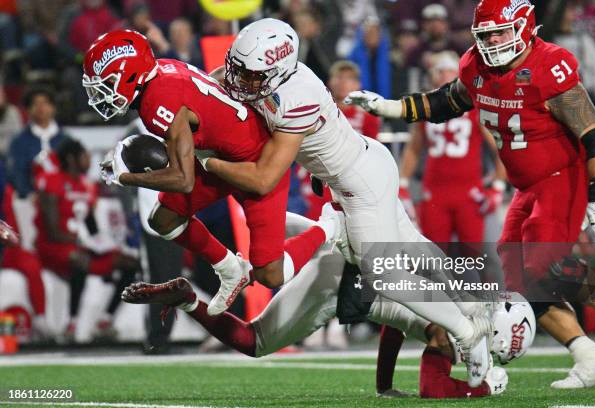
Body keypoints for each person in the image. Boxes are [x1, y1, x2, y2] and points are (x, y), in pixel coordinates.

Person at [205, 18, 493, 387]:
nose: (241, 80)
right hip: (365, 167)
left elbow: (264, 177)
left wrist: (205, 161)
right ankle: (471, 306)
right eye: (239, 69)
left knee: (386, 275)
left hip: (360, 186)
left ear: (278, 69)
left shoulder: (297, 96)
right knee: (412, 246)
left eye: (252, 74)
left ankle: (465, 333)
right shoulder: (273, 77)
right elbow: (218, 80)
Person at [345, 0, 595, 389]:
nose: (492, 41)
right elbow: (443, 103)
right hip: (526, 186)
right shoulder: (477, 66)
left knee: (539, 264)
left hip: (561, 177)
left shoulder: (549, 65)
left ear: (524, 26)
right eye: (485, 34)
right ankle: (589, 357)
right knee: (522, 280)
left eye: (500, 32)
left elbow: (594, 132)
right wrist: (387, 106)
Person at [123, 212, 531, 398]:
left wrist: (384, 385)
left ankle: (306, 226)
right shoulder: (459, 325)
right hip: (338, 282)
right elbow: (433, 387)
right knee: (253, 340)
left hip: (351, 247)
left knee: (267, 224)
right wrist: (477, 394)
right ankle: (190, 298)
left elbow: (402, 324)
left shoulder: (461, 293)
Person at [82, 29, 340, 317]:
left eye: (107, 84)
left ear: (130, 75)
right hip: (220, 155)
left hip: (254, 162)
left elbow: (183, 179)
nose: (101, 93)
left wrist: (125, 177)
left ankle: (328, 226)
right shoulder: (161, 71)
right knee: (163, 218)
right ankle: (231, 271)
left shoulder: (157, 100)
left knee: (270, 274)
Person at [34, 138, 138, 341]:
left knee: (130, 263)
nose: (89, 159)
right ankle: (70, 325)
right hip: (54, 247)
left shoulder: (87, 186)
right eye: (84, 155)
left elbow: (91, 227)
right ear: (72, 158)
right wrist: (83, 242)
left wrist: (101, 243)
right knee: (78, 259)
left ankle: (106, 321)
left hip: (79, 246)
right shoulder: (52, 181)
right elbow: (52, 231)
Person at [399, 51, 505, 244]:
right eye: (441, 71)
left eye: (450, 70)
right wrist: (403, 183)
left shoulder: (475, 105)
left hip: (469, 192)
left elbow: (500, 147)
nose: (445, 76)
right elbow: (414, 147)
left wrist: (498, 187)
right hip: (434, 192)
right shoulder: (426, 106)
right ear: (433, 74)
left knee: (474, 258)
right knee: (435, 257)